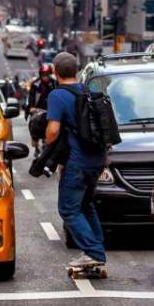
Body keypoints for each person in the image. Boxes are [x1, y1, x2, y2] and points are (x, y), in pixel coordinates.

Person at [45, 52, 108, 272]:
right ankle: (96, 249)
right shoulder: (88, 91)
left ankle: (93, 252)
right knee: (85, 205)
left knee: (68, 209)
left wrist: (47, 140)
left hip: (77, 162)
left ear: (55, 72)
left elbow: (53, 131)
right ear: (76, 70)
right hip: (97, 160)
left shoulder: (57, 95)